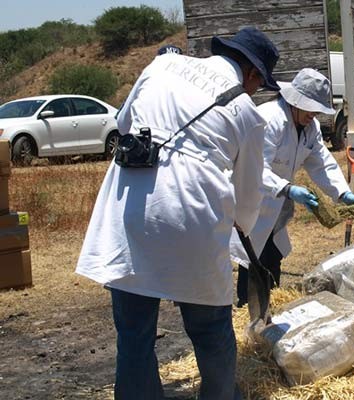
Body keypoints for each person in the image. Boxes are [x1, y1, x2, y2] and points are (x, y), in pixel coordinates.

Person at [75, 27, 280, 400]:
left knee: (134, 332)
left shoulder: (161, 66)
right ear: (252, 74)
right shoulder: (247, 112)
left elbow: (123, 126)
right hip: (193, 216)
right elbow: (249, 197)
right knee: (210, 329)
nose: (256, 91)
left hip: (132, 210)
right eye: (259, 83)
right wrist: (241, 232)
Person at [230, 68, 354, 306]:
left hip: (276, 205)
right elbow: (254, 168)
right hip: (254, 201)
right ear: (295, 100)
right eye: (311, 108)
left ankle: (270, 309)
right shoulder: (268, 120)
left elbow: (321, 163)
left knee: (272, 256)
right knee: (252, 260)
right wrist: (288, 189)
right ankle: (246, 312)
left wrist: (343, 193)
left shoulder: (310, 127)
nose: (314, 114)